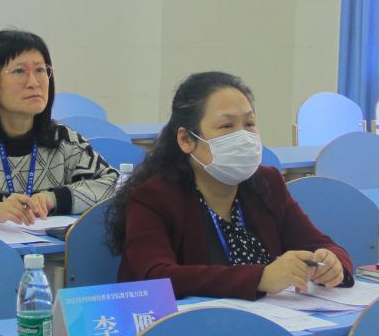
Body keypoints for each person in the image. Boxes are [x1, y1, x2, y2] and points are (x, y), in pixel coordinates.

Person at [108, 71, 350, 299]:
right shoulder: (154, 196)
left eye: (249, 124)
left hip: (268, 320)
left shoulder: (268, 183)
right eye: (226, 126)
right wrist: (260, 278)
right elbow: (155, 277)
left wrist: (331, 263)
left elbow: (322, 245)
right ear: (186, 139)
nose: (242, 137)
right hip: (188, 324)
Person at [0, 29, 118, 225]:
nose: (34, 82)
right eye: (19, 71)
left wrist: (54, 198)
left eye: (40, 70)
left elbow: (114, 186)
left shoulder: (65, 141)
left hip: (48, 246)